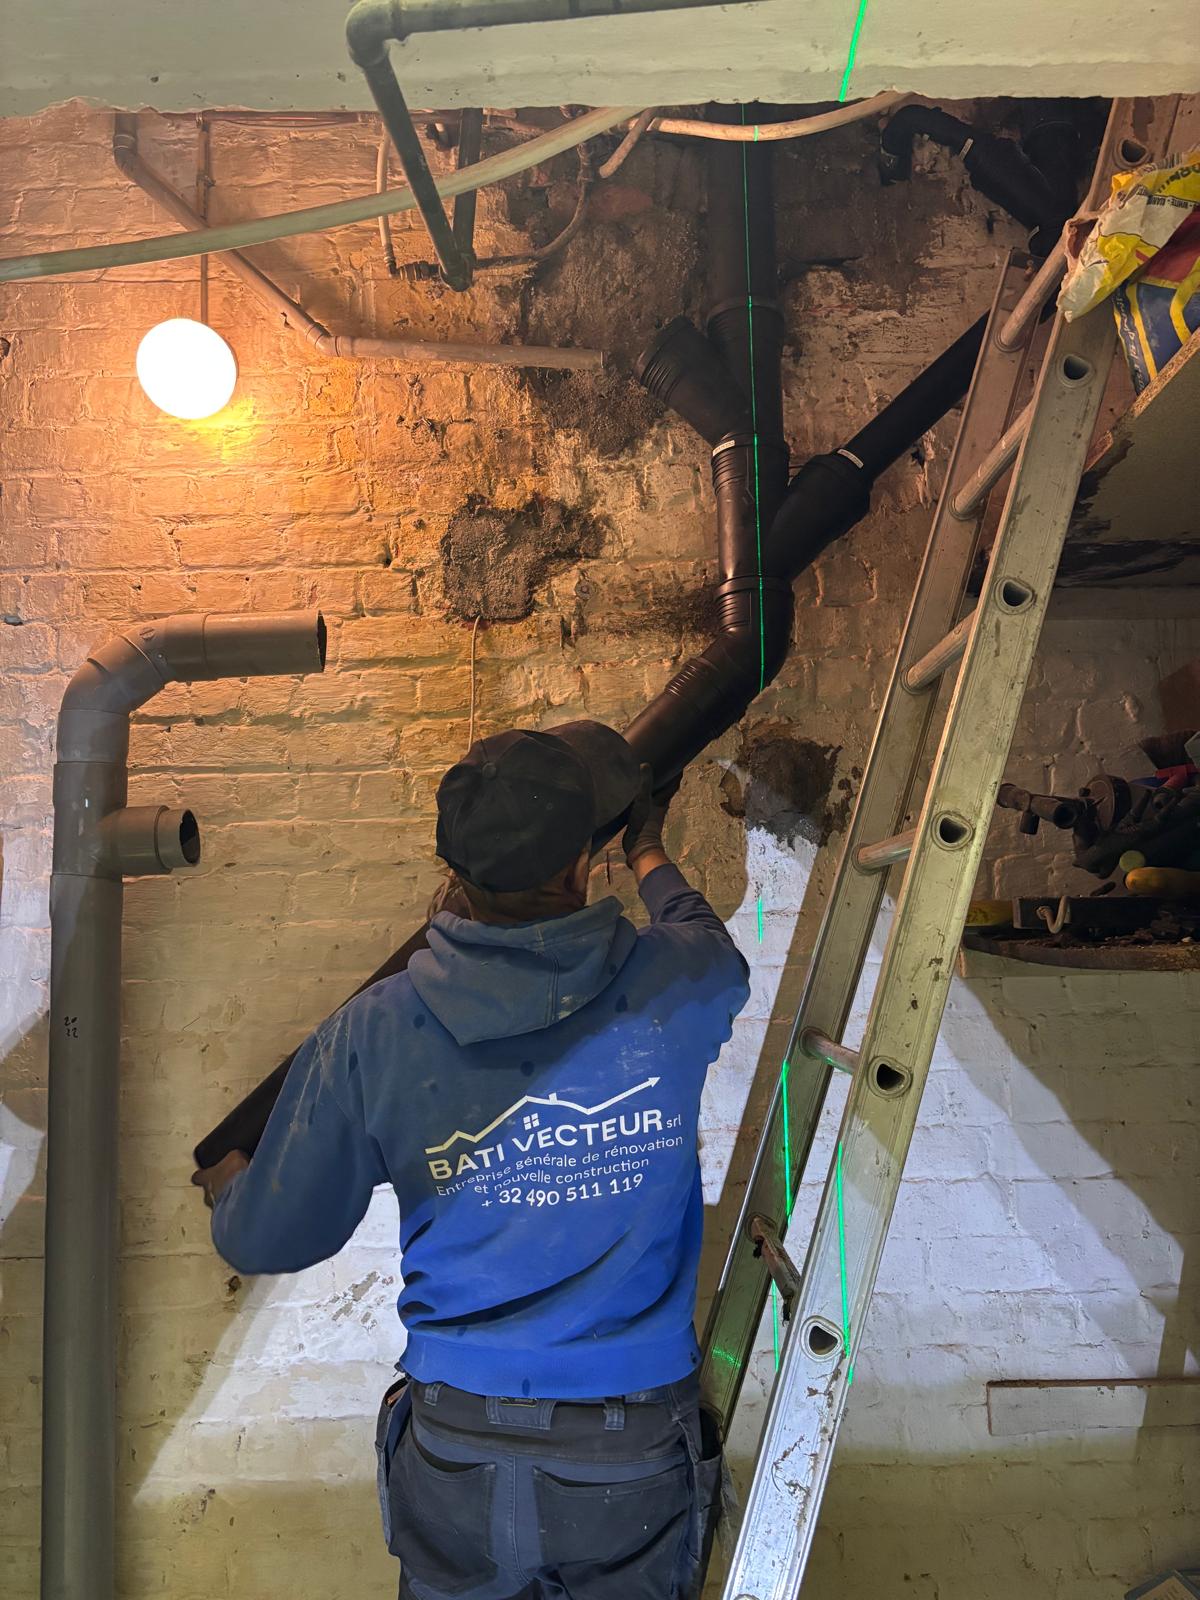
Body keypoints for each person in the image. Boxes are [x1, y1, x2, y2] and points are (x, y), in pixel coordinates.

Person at [193, 720, 750, 1600]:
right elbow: (705, 935)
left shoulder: (373, 1031)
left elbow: (267, 1238)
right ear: (580, 864)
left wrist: (232, 1188)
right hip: (628, 1451)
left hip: (457, 1448)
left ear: (451, 866)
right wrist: (648, 849)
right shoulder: (675, 985)